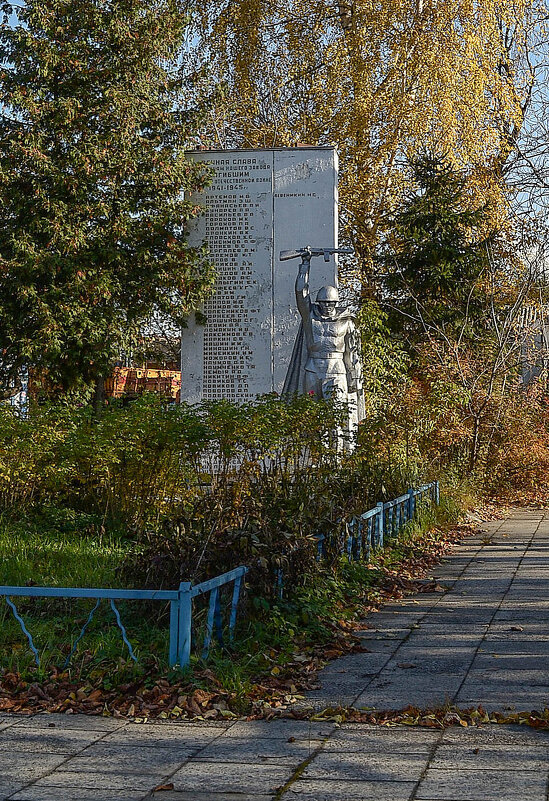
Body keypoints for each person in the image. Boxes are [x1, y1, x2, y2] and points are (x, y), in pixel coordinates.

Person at [283, 247, 365, 444]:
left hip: (337, 371)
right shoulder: (310, 317)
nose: (328, 306)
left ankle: (336, 455)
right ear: (318, 303)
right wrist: (305, 264)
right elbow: (300, 293)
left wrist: (354, 378)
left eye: (331, 303)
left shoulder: (346, 321)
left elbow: (352, 353)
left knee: (335, 415)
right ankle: (315, 454)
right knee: (312, 415)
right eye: (324, 303)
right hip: (312, 369)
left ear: (336, 303)